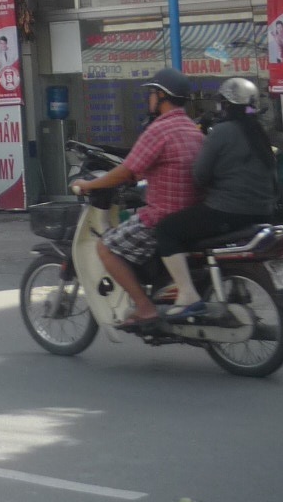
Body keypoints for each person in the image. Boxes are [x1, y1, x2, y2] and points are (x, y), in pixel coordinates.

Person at [74, 69, 204, 329]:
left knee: (106, 247)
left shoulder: (159, 130)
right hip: (190, 215)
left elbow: (126, 171)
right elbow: (149, 168)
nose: (149, 99)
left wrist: (89, 185)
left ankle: (144, 307)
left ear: (162, 96)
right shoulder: (193, 129)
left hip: (161, 216)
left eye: (152, 94)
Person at [155, 77, 279, 319]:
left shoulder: (221, 131)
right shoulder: (258, 132)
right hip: (264, 211)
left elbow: (199, 176)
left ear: (227, 105)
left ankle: (187, 294)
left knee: (166, 230)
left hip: (228, 212)